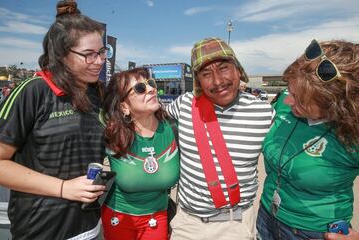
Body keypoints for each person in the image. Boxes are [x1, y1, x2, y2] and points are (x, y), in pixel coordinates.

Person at [0, 1, 107, 239]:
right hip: (40, 229)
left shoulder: (97, 93)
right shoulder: (33, 91)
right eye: (88, 54)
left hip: (90, 227)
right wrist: (63, 188)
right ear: (61, 55)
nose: (99, 61)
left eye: (101, 52)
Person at [165, 37, 273, 240]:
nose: (218, 81)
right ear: (197, 81)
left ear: (238, 70)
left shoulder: (264, 112)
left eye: (224, 68)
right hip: (187, 225)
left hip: (236, 226)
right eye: (206, 74)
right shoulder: (184, 104)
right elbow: (147, 119)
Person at [256, 39, 359, 240]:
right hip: (267, 217)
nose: (287, 101)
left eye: (300, 99)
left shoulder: (353, 135)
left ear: (336, 104)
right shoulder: (285, 105)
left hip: (313, 232)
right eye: (289, 90)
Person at [101, 67, 180, 240]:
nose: (152, 89)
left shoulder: (174, 128)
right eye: (140, 88)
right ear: (124, 106)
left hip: (157, 218)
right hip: (118, 218)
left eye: (150, 84)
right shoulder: (111, 135)